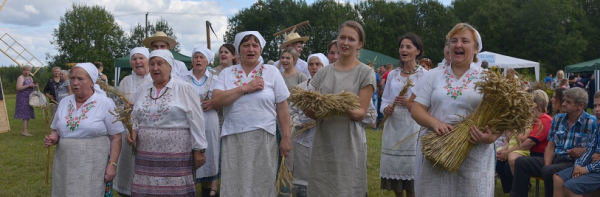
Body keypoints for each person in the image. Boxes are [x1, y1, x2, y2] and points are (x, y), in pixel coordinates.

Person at [410, 23, 497, 196]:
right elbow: (417, 108)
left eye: (465, 41)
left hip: (474, 150)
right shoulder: (434, 75)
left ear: (476, 48)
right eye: (453, 41)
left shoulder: (488, 79)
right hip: (439, 149)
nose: (458, 45)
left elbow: (501, 116)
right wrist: (435, 123)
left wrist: (492, 136)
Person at [211, 31, 291, 196]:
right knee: (235, 183)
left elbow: (282, 107)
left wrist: (286, 137)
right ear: (238, 50)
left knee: (262, 183)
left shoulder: (271, 72)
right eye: (246, 45)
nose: (251, 49)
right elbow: (216, 100)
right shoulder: (227, 73)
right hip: (234, 136)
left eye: (255, 45)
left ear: (260, 49)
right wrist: (245, 88)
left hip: (264, 137)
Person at [305, 20, 375, 196]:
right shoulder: (323, 72)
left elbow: (360, 113)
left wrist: (338, 106)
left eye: (351, 39)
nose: (345, 43)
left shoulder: (365, 72)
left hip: (348, 140)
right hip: (324, 140)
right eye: (342, 37)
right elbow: (311, 111)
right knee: (322, 186)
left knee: (347, 187)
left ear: (359, 44)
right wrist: (306, 106)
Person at [126, 50, 207, 196]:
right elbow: (135, 117)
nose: (155, 68)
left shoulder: (184, 88)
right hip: (147, 154)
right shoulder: (142, 90)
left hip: (176, 153)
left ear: (170, 66)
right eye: (152, 64)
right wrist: (133, 131)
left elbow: (196, 120)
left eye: (160, 63)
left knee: (174, 189)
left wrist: (200, 149)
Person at [43, 63, 124, 196]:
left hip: (93, 163)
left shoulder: (105, 103)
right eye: (72, 78)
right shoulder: (64, 102)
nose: (74, 83)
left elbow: (116, 137)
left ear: (92, 82)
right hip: (65, 162)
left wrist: (112, 165)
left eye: (80, 79)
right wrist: (53, 138)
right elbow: (56, 129)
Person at [511, 87, 596, 197]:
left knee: (549, 171)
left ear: (581, 106)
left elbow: (596, 148)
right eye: (564, 100)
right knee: (521, 162)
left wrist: (583, 150)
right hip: (556, 160)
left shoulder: (592, 122)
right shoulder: (558, 119)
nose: (564, 104)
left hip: (575, 163)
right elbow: (550, 146)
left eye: (568, 102)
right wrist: (546, 164)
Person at [380, 32, 428, 197]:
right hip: (393, 127)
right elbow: (385, 99)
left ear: (418, 51)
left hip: (412, 127)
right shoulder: (393, 74)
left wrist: (409, 101)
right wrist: (386, 108)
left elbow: (428, 103)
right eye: (401, 46)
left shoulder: (424, 74)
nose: (404, 50)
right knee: (394, 169)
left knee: (411, 172)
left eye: (408, 47)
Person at [287, 53, 328, 197]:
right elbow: (291, 111)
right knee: (303, 174)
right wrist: (300, 123)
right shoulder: (300, 88)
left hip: (324, 136)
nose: (314, 67)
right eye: (311, 64)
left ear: (325, 66)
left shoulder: (329, 87)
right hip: (302, 136)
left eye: (318, 64)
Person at [495, 89, 552, 193]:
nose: (526, 105)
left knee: (514, 162)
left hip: (539, 156)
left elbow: (528, 143)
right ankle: (511, 190)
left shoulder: (545, 120)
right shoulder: (533, 119)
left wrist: (507, 152)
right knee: (501, 161)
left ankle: (520, 189)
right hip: (529, 153)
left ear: (536, 104)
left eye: (528, 102)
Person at [113, 47, 151, 197]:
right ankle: (127, 191)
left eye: (141, 58)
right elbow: (117, 105)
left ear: (148, 60)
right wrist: (124, 107)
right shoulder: (125, 81)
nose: (138, 61)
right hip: (128, 130)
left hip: (148, 129)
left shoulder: (154, 79)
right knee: (129, 166)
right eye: (134, 59)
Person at [183, 46, 221, 197]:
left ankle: (208, 192)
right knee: (188, 155)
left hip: (209, 120)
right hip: (188, 121)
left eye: (202, 57)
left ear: (207, 61)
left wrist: (214, 103)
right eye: (196, 57)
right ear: (192, 60)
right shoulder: (183, 79)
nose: (198, 60)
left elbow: (222, 99)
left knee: (209, 156)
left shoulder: (215, 79)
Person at [553, 91, 600, 197]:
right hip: (593, 165)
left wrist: (586, 169)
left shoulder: (592, 122)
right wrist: (578, 165)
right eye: (595, 105)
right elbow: (590, 149)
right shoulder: (599, 126)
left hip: (596, 168)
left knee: (571, 187)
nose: (596, 109)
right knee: (558, 178)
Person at [15, 65, 37, 136]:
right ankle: (24, 131)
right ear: (22, 71)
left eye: (28, 70)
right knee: (24, 114)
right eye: (25, 70)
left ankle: (25, 131)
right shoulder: (21, 77)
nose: (26, 72)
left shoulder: (30, 78)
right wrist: (29, 86)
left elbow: (31, 86)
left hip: (29, 98)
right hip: (22, 98)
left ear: (30, 71)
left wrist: (34, 86)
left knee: (28, 114)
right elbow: (18, 88)